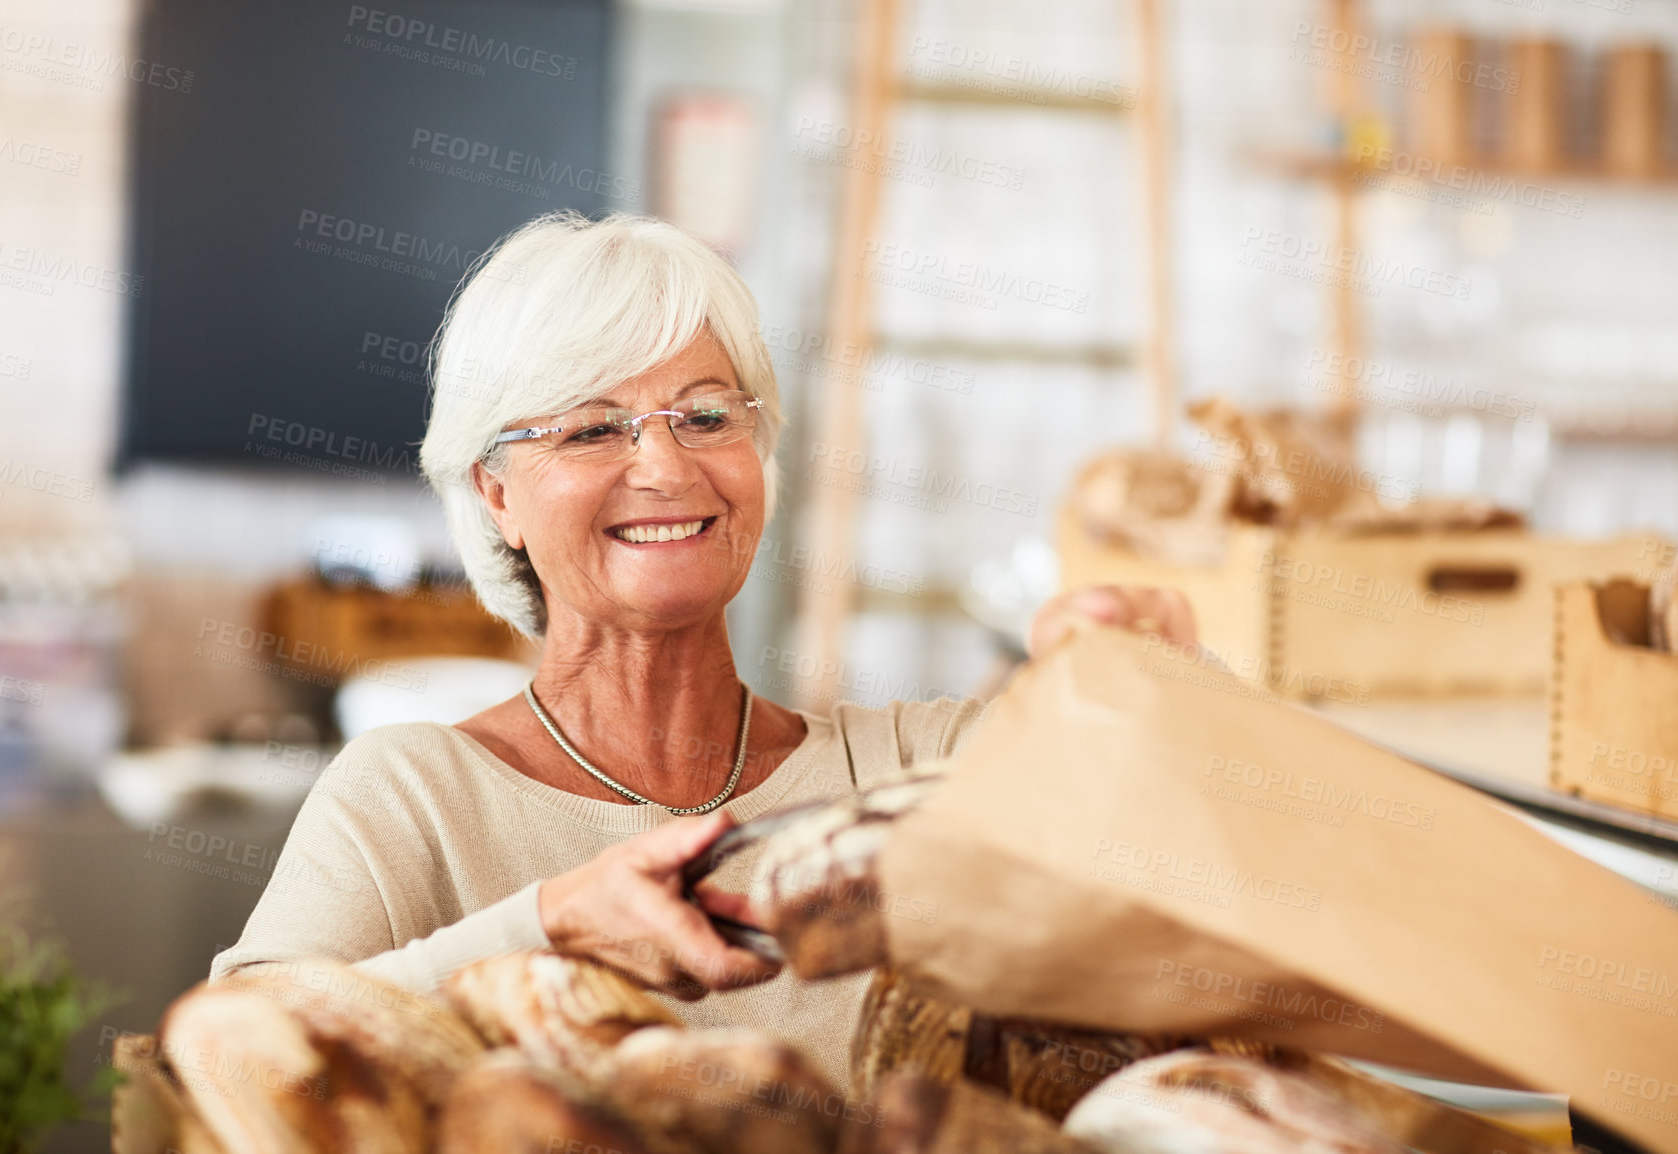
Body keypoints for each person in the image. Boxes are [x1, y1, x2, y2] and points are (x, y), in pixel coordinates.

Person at [209, 212, 1197, 1090]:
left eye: (707, 415)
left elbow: (1189, 862)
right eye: (593, 427)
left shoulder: (914, 767)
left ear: (756, 453)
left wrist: (1138, 687)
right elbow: (224, 1056)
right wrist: (547, 928)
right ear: (497, 494)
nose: (665, 464)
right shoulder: (415, 793)